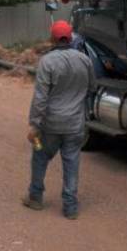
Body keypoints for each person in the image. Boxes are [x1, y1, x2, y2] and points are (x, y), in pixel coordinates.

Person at [24, 20, 96, 219]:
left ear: (53, 38)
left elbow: (40, 98)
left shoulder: (47, 62)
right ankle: (70, 208)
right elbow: (92, 88)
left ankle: (35, 198)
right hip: (75, 125)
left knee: (40, 157)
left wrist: (34, 124)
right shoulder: (85, 60)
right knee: (71, 163)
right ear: (70, 37)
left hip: (51, 125)